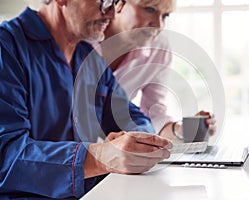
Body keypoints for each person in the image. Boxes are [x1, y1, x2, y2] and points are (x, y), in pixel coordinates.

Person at [0, 0, 173, 198]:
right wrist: (99, 157)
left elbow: (130, 116)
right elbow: (6, 156)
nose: (112, 15)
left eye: (116, 4)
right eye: (105, 2)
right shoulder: (6, 47)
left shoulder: (89, 57)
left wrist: (137, 141)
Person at [98, 0, 215, 139]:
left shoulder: (158, 48)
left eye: (165, 15)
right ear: (118, 4)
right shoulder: (82, 40)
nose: (159, 25)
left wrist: (183, 131)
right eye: (150, 10)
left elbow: (154, 114)